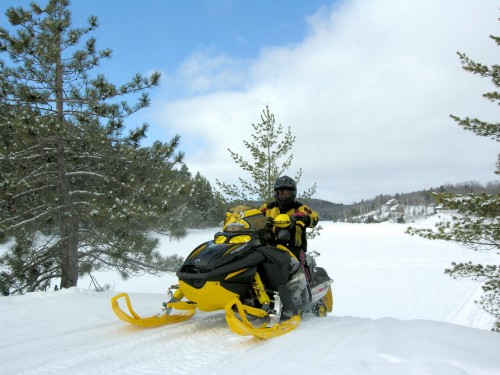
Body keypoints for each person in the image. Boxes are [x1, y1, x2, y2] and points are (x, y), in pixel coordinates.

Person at [260, 175, 319, 282]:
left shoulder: (299, 208)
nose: (282, 196)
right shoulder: (268, 208)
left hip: (293, 247)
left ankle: (307, 286)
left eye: (285, 193)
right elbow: (255, 215)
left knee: (299, 266)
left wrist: (298, 217)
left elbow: (313, 217)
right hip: (269, 246)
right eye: (280, 193)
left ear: (292, 193)